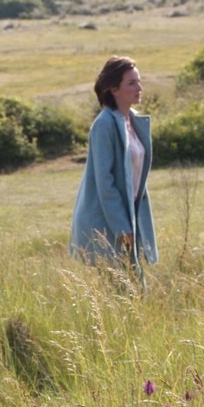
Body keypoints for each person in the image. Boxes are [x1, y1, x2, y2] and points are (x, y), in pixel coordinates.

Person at [70, 56, 158, 281]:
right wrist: (123, 229)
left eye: (139, 81)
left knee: (133, 289)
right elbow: (105, 183)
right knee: (126, 291)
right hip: (109, 224)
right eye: (131, 83)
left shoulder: (135, 121)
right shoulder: (104, 125)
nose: (139, 88)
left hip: (129, 218)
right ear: (113, 89)